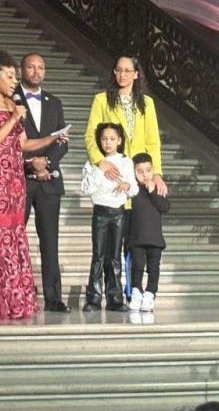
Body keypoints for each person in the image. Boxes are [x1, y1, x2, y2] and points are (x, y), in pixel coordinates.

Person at [0, 48, 68, 319]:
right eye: (9, 76)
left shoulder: (12, 105)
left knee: (14, 234)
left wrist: (51, 139)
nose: (15, 80)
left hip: (14, 174)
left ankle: (14, 299)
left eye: (15, 76)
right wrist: (13, 119)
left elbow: (23, 144)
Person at [14, 52, 70, 312]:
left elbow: (62, 140)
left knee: (50, 240)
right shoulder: (9, 100)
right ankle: (13, 293)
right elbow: (7, 140)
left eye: (41, 68)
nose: (36, 71)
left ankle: (53, 297)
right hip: (20, 179)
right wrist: (30, 162)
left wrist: (46, 163)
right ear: (21, 69)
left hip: (49, 181)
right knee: (14, 238)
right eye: (31, 67)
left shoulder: (54, 102)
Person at [84, 55, 167, 196]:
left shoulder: (147, 103)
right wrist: (100, 161)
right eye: (118, 70)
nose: (122, 75)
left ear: (135, 74)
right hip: (113, 172)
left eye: (127, 71)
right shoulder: (101, 100)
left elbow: (153, 142)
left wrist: (157, 174)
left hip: (140, 173)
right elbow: (90, 136)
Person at [80, 122, 138, 312]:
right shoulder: (92, 162)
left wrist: (127, 186)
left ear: (119, 141)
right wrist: (99, 168)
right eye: (104, 139)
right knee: (98, 255)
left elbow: (135, 189)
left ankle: (115, 298)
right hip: (100, 213)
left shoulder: (126, 162)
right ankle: (94, 299)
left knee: (114, 257)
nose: (108, 143)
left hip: (118, 213)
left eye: (112, 139)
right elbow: (86, 188)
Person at [127, 152, 169, 312]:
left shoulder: (158, 189)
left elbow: (165, 207)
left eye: (148, 170)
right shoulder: (133, 191)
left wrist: (153, 191)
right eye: (140, 171)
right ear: (134, 173)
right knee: (137, 265)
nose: (145, 175)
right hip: (137, 237)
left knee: (154, 268)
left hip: (155, 239)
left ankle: (150, 294)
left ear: (153, 170)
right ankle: (136, 291)